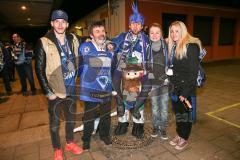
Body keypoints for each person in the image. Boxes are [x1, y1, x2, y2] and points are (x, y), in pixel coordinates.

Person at [35, 9, 83, 160]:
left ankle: (69, 142)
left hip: (71, 88)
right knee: (55, 122)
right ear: (52, 23)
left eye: (63, 22)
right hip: (55, 90)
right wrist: (48, 91)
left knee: (71, 118)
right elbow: (39, 68)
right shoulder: (44, 41)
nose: (60, 24)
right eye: (57, 21)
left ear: (67, 24)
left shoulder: (73, 38)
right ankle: (57, 148)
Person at [111, 1, 151, 139]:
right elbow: (112, 44)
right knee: (121, 98)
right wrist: (109, 45)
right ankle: (123, 123)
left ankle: (138, 125)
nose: (135, 25)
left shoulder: (146, 39)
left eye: (138, 23)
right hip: (122, 72)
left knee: (138, 99)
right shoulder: (122, 36)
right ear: (129, 24)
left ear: (142, 26)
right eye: (133, 23)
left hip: (139, 73)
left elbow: (151, 55)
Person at [79, 21, 114, 150]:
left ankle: (104, 135)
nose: (101, 34)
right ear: (91, 35)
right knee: (89, 115)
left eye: (103, 31)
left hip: (105, 87)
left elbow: (113, 67)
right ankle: (86, 138)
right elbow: (86, 63)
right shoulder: (85, 47)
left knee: (106, 114)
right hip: (91, 88)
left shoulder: (110, 49)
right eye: (97, 31)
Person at [168, 21, 201, 150]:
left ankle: (184, 138)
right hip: (175, 88)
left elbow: (193, 73)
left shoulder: (191, 46)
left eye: (177, 30)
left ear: (183, 31)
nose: (174, 33)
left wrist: (185, 93)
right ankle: (179, 134)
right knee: (178, 114)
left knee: (186, 115)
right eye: (171, 31)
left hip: (186, 90)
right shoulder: (175, 46)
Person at [147, 23, 169, 139]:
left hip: (165, 83)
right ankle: (155, 126)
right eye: (152, 32)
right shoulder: (147, 47)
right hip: (153, 83)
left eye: (157, 32)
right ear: (148, 34)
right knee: (155, 107)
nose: (154, 35)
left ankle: (163, 127)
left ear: (161, 34)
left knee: (164, 107)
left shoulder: (167, 45)